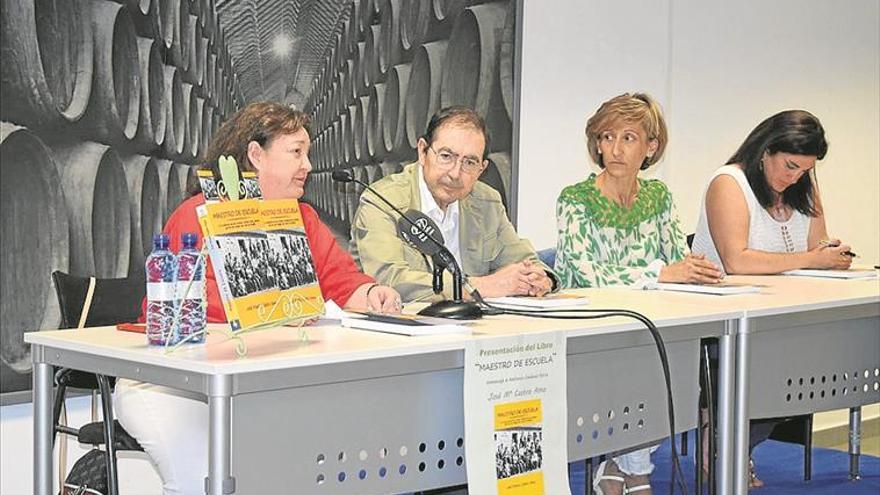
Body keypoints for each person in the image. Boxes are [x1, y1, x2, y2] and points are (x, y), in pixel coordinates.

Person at [115, 102, 402, 494]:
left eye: (308, 152)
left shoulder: (304, 219)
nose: (308, 165)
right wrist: (275, 311)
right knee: (201, 480)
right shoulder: (197, 214)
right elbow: (180, 309)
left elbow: (341, 280)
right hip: (169, 386)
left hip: (256, 384)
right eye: (296, 152)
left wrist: (372, 293)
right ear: (255, 155)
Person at [554, 93, 723, 495]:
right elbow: (585, 272)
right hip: (595, 328)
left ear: (651, 147)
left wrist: (695, 271)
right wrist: (661, 273)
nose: (614, 148)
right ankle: (636, 472)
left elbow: (676, 259)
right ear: (596, 143)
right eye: (606, 136)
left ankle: (620, 466)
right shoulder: (575, 199)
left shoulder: (658, 197)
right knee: (642, 357)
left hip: (653, 324)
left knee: (670, 357)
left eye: (628, 138)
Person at [691, 109, 851, 487]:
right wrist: (813, 258)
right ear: (765, 150)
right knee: (788, 368)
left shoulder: (803, 186)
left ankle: (733, 443)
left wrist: (832, 256)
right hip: (726, 322)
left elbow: (816, 248)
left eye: (804, 170)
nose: (794, 177)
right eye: (789, 166)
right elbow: (737, 259)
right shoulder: (729, 183)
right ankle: (723, 442)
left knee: (819, 362)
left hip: (783, 319)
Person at [350, 105, 556, 303]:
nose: (455, 173)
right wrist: (480, 286)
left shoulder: (487, 202)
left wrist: (540, 279)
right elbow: (390, 280)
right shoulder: (382, 201)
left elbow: (526, 261)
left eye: (469, 162)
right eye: (446, 156)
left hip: (473, 329)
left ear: (482, 169)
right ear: (423, 152)